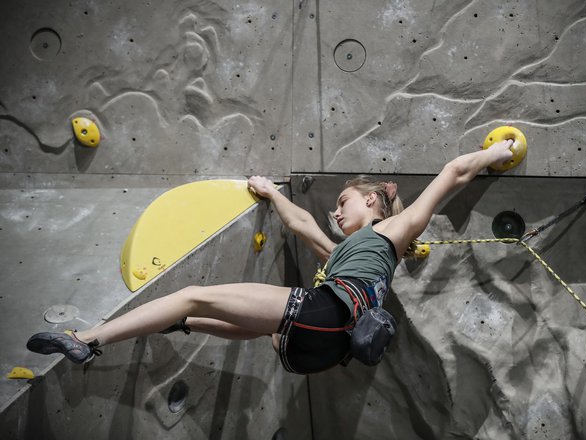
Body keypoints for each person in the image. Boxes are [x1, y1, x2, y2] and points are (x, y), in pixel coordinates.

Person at [27, 140, 514, 374]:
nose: (334, 210)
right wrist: (268, 191)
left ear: (372, 201)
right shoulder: (347, 254)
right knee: (249, 320)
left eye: (343, 202)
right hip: (323, 348)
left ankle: (86, 338)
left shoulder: (394, 230)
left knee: (194, 293)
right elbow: (301, 223)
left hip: (327, 316)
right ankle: (181, 324)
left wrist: (503, 148)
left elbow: (453, 172)